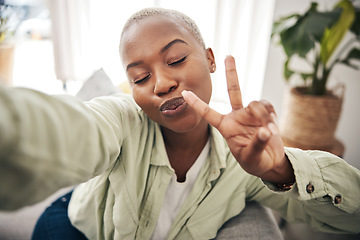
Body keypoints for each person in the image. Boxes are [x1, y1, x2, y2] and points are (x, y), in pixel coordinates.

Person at [0, 7, 359, 240]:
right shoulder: (125, 120)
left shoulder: (246, 157)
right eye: (140, 78)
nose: (161, 84)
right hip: (71, 224)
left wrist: (281, 169)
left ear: (209, 60)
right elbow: (72, 130)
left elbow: (351, 216)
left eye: (176, 59)